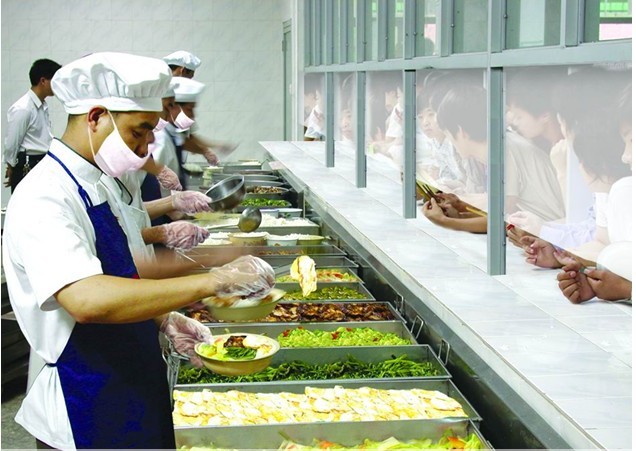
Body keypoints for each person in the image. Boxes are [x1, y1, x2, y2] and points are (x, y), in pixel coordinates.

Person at [2, 52, 275, 449]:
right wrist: (215, 280)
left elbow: (125, 270)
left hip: (129, 378)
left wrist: (162, 318)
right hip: (85, 400)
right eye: (140, 131)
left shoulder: (101, 183)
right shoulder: (45, 194)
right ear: (96, 117)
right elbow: (87, 299)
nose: (147, 146)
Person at [422, 84, 564, 233]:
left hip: (551, 232)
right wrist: (457, 206)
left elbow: (499, 215)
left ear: (460, 131)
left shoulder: (503, 150)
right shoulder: (501, 144)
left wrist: (446, 221)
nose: (452, 143)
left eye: (449, 136)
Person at [3, 58, 62, 192]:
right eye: (55, 80)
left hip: (41, 162)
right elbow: (12, 142)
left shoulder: (42, 106)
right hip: (28, 165)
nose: (58, 84)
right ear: (43, 81)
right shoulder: (23, 108)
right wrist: (11, 167)